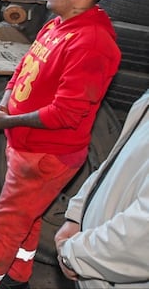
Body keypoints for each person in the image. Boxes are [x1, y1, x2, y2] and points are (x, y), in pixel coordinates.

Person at [0, 0, 122, 289]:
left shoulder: (92, 43)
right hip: (26, 146)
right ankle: (18, 276)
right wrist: (7, 102)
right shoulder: (57, 25)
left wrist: (10, 123)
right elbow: (23, 68)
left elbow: (67, 113)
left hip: (47, 155)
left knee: (7, 222)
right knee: (28, 216)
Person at [53, 89, 149, 288]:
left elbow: (141, 237)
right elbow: (115, 162)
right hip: (91, 266)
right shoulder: (146, 101)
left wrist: (75, 255)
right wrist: (77, 215)